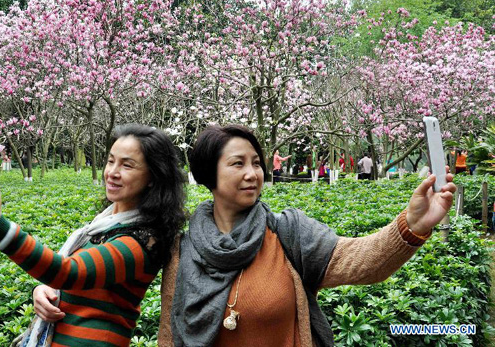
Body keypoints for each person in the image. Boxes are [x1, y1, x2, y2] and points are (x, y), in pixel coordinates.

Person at [157, 125, 456, 346]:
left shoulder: (288, 232)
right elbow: (169, 334)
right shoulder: (183, 250)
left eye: (257, 163)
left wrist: (412, 224)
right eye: (238, 163)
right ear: (209, 173)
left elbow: (360, 259)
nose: (253, 173)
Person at [0, 124, 186, 347]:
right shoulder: (103, 225)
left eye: (127, 165)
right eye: (110, 161)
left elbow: (69, 273)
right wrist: (44, 290)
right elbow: (69, 278)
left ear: (153, 177)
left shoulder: (142, 242)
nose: (112, 173)